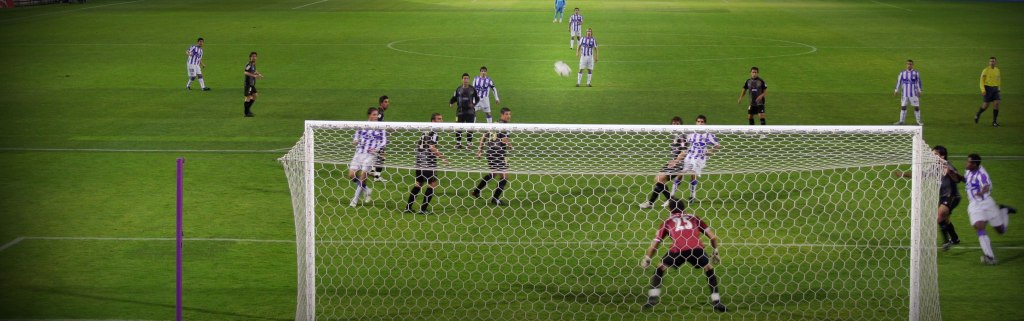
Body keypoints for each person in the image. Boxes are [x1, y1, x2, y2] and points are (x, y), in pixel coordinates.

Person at [640, 199, 727, 312]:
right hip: (697, 249)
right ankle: (717, 302)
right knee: (708, 269)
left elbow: (656, 243)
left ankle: (652, 299)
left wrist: (647, 258)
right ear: (684, 208)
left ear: (670, 209)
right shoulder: (694, 217)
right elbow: (713, 237)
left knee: (660, 268)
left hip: (678, 250)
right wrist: (715, 251)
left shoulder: (667, 221)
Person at [963, 154, 1016, 265]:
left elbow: (986, 186)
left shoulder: (982, 174)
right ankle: (990, 257)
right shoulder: (968, 171)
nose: (966, 163)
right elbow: (965, 180)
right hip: (974, 204)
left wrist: (981, 192)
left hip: (987, 203)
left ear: (975, 164)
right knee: (979, 226)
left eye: (968, 162)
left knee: (1001, 230)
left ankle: (1004, 211)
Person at [405, 113, 450, 214]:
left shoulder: (425, 131)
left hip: (419, 161)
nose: (441, 121)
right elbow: (432, 148)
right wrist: (443, 158)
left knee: (419, 184)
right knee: (432, 184)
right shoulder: (434, 132)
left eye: (442, 119)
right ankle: (423, 209)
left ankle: (408, 208)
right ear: (433, 121)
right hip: (428, 162)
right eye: (439, 119)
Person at [640, 116, 687, 209]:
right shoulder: (674, 135)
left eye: (677, 124)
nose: (675, 125)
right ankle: (670, 200)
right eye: (673, 123)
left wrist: (676, 161)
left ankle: (651, 202)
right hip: (672, 163)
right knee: (658, 179)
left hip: (678, 164)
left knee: (660, 179)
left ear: (681, 125)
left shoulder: (681, 136)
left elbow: (684, 151)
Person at [472, 107, 512, 206]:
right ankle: (495, 199)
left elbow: (484, 136)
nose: (508, 116)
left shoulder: (494, 124)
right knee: (504, 176)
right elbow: (504, 140)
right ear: (502, 115)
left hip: (490, 153)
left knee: (493, 174)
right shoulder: (505, 126)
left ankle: (476, 191)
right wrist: (510, 145)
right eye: (506, 114)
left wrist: (480, 150)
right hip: (498, 153)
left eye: (509, 114)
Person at [349, 108, 387, 207]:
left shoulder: (380, 127)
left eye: (377, 115)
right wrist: (355, 141)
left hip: (370, 155)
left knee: (363, 175)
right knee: (351, 175)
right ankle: (367, 190)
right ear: (369, 115)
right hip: (359, 153)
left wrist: (377, 149)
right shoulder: (362, 125)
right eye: (374, 114)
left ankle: (355, 200)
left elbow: (384, 141)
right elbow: (356, 137)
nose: (376, 116)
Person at [933, 146, 963, 250]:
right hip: (943, 196)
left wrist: (949, 171)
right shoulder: (935, 167)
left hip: (952, 196)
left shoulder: (948, 166)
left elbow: (957, 178)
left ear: (942, 156)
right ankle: (954, 239)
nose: (932, 156)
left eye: (935, 154)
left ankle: (946, 241)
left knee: (940, 216)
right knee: (944, 219)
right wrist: (905, 175)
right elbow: (925, 174)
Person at [450, 73, 479, 149]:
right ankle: (458, 143)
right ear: (462, 79)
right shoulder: (458, 89)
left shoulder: (472, 89)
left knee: (470, 128)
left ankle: (469, 144)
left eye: (467, 78)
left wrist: (474, 104)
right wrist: (451, 102)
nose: (466, 80)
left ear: (469, 80)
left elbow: (477, 98)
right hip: (460, 111)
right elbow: (454, 97)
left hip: (470, 112)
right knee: (458, 127)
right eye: (464, 78)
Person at [893, 59, 923, 125]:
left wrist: (919, 90)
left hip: (914, 94)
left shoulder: (916, 73)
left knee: (916, 107)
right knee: (903, 107)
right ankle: (901, 121)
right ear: (906, 65)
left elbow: (918, 82)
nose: (909, 65)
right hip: (904, 94)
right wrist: (896, 90)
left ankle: (918, 121)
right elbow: (899, 81)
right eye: (908, 64)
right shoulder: (902, 73)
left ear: (912, 65)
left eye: (910, 64)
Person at [975, 57, 1002, 127]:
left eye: (993, 61)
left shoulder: (997, 70)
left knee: (996, 103)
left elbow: (998, 79)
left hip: (995, 89)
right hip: (987, 89)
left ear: (996, 62)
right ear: (989, 62)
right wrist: (983, 90)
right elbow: (981, 81)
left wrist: (999, 88)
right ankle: (978, 114)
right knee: (986, 105)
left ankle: (994, 122)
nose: (992, 63)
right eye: (990, 61)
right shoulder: (985, 70)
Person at [370, 95, 390, 182]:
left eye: (388, 102)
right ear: (381, 103)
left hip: (377, 138)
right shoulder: (380, 112)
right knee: (382, 156)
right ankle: (377, 177)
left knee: (376, 155)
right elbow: (376, 124)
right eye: (386, 102)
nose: (387, 104)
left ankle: (372, 171)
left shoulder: (380, 111)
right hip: (378, 138)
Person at [243, 51, 263, 117]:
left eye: (255, 56)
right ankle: (246, 113)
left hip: (252, 84)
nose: (254, 57)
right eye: (253, 56)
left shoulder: (253, 64)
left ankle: (248, 109)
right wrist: (254, 76)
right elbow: (245, 72)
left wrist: (259, 74)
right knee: (248, 97)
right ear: (250, 57)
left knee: (255, 95)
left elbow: (254, 70)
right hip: (248, 84)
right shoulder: (249, 64)